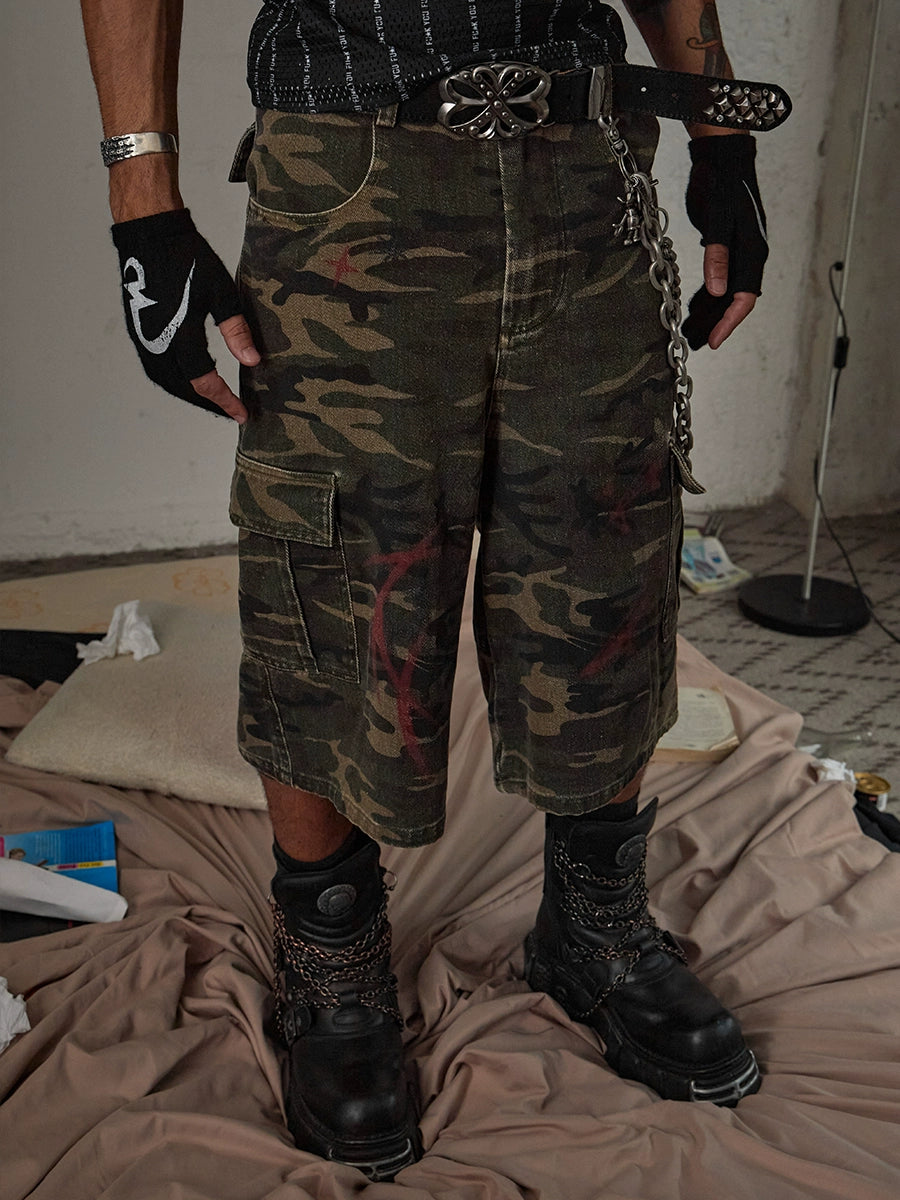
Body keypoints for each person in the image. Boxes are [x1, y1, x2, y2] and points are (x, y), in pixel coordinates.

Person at [80, 0, 787, 1182]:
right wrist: (141, 203)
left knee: (605, 545)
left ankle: (596, 924)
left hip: (588, 162)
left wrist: (723, 137)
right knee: (341, 562)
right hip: (352, 165)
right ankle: (332, 955)